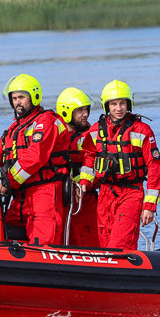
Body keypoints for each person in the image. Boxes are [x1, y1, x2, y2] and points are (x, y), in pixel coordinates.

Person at [0, 74, 71, 245]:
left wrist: (7, 183)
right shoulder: (15, 128)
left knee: (43, 244)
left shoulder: (46, 121)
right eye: (14, 98)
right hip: (20, 197)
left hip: (44, 193)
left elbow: (34, 157)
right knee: (2, 236)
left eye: (22, 97)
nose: (17, 102)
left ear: (34, 97)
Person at [80, 80, 160, 250]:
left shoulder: (142, 131)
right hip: (105, 194)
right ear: (106, 106)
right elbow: (89, 157)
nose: (118, 108)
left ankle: (125, 274)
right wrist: (85, 182)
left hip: (131, 193)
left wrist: (149, 206)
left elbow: (154, 168)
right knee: (104, 243)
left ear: (128, 104)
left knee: (120, 244)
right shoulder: (96, 130)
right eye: (114, 104)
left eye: (122, 103)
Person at [55, 86, 99, 246]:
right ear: (66, 112)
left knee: (88, 241)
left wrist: (80, 183)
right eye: (80, 110)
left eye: (86, 109)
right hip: (62, 199)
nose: (85, 114)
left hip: (85, 199)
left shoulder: (92, 135)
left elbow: (93, 163)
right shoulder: (55, 135)